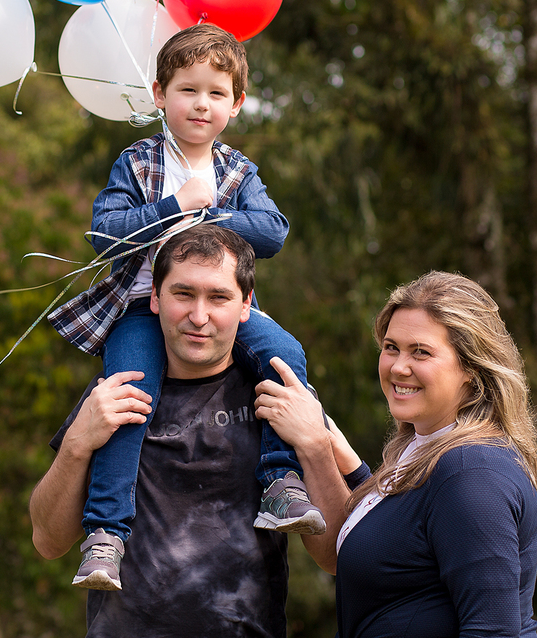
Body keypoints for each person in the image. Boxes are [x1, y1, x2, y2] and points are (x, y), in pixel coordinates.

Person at [47, 23, 324, 592]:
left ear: (237, 104)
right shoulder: (138, 161)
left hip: (222, 309)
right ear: (158, 95)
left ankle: (280, 479)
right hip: (143, 309)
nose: (202, 104)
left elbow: (272, 230)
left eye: (217, 93)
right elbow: (105, 234)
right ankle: (106, 534)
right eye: (187, 90)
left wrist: (212, 216)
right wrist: (173, 206)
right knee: (128, 394)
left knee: (284, 354)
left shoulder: (237, 171)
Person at [31, 224, 347, 636]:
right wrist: (76, 444)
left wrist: (317, 446)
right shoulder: (116, 392)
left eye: (218, 297)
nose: (199, 317)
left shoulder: (280, 393)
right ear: (156, 298)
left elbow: (335, 558)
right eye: (184, 294)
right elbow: (49, 542)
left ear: (246, 303)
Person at [255, 270, 537, 637]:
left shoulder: (471, 471)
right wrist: (335, 454)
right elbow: (372, 547)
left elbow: (493, 632)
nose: (398, 367)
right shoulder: (423, 449)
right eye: (391, 347)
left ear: (471, 369)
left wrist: (315, 446)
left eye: (420, 352)